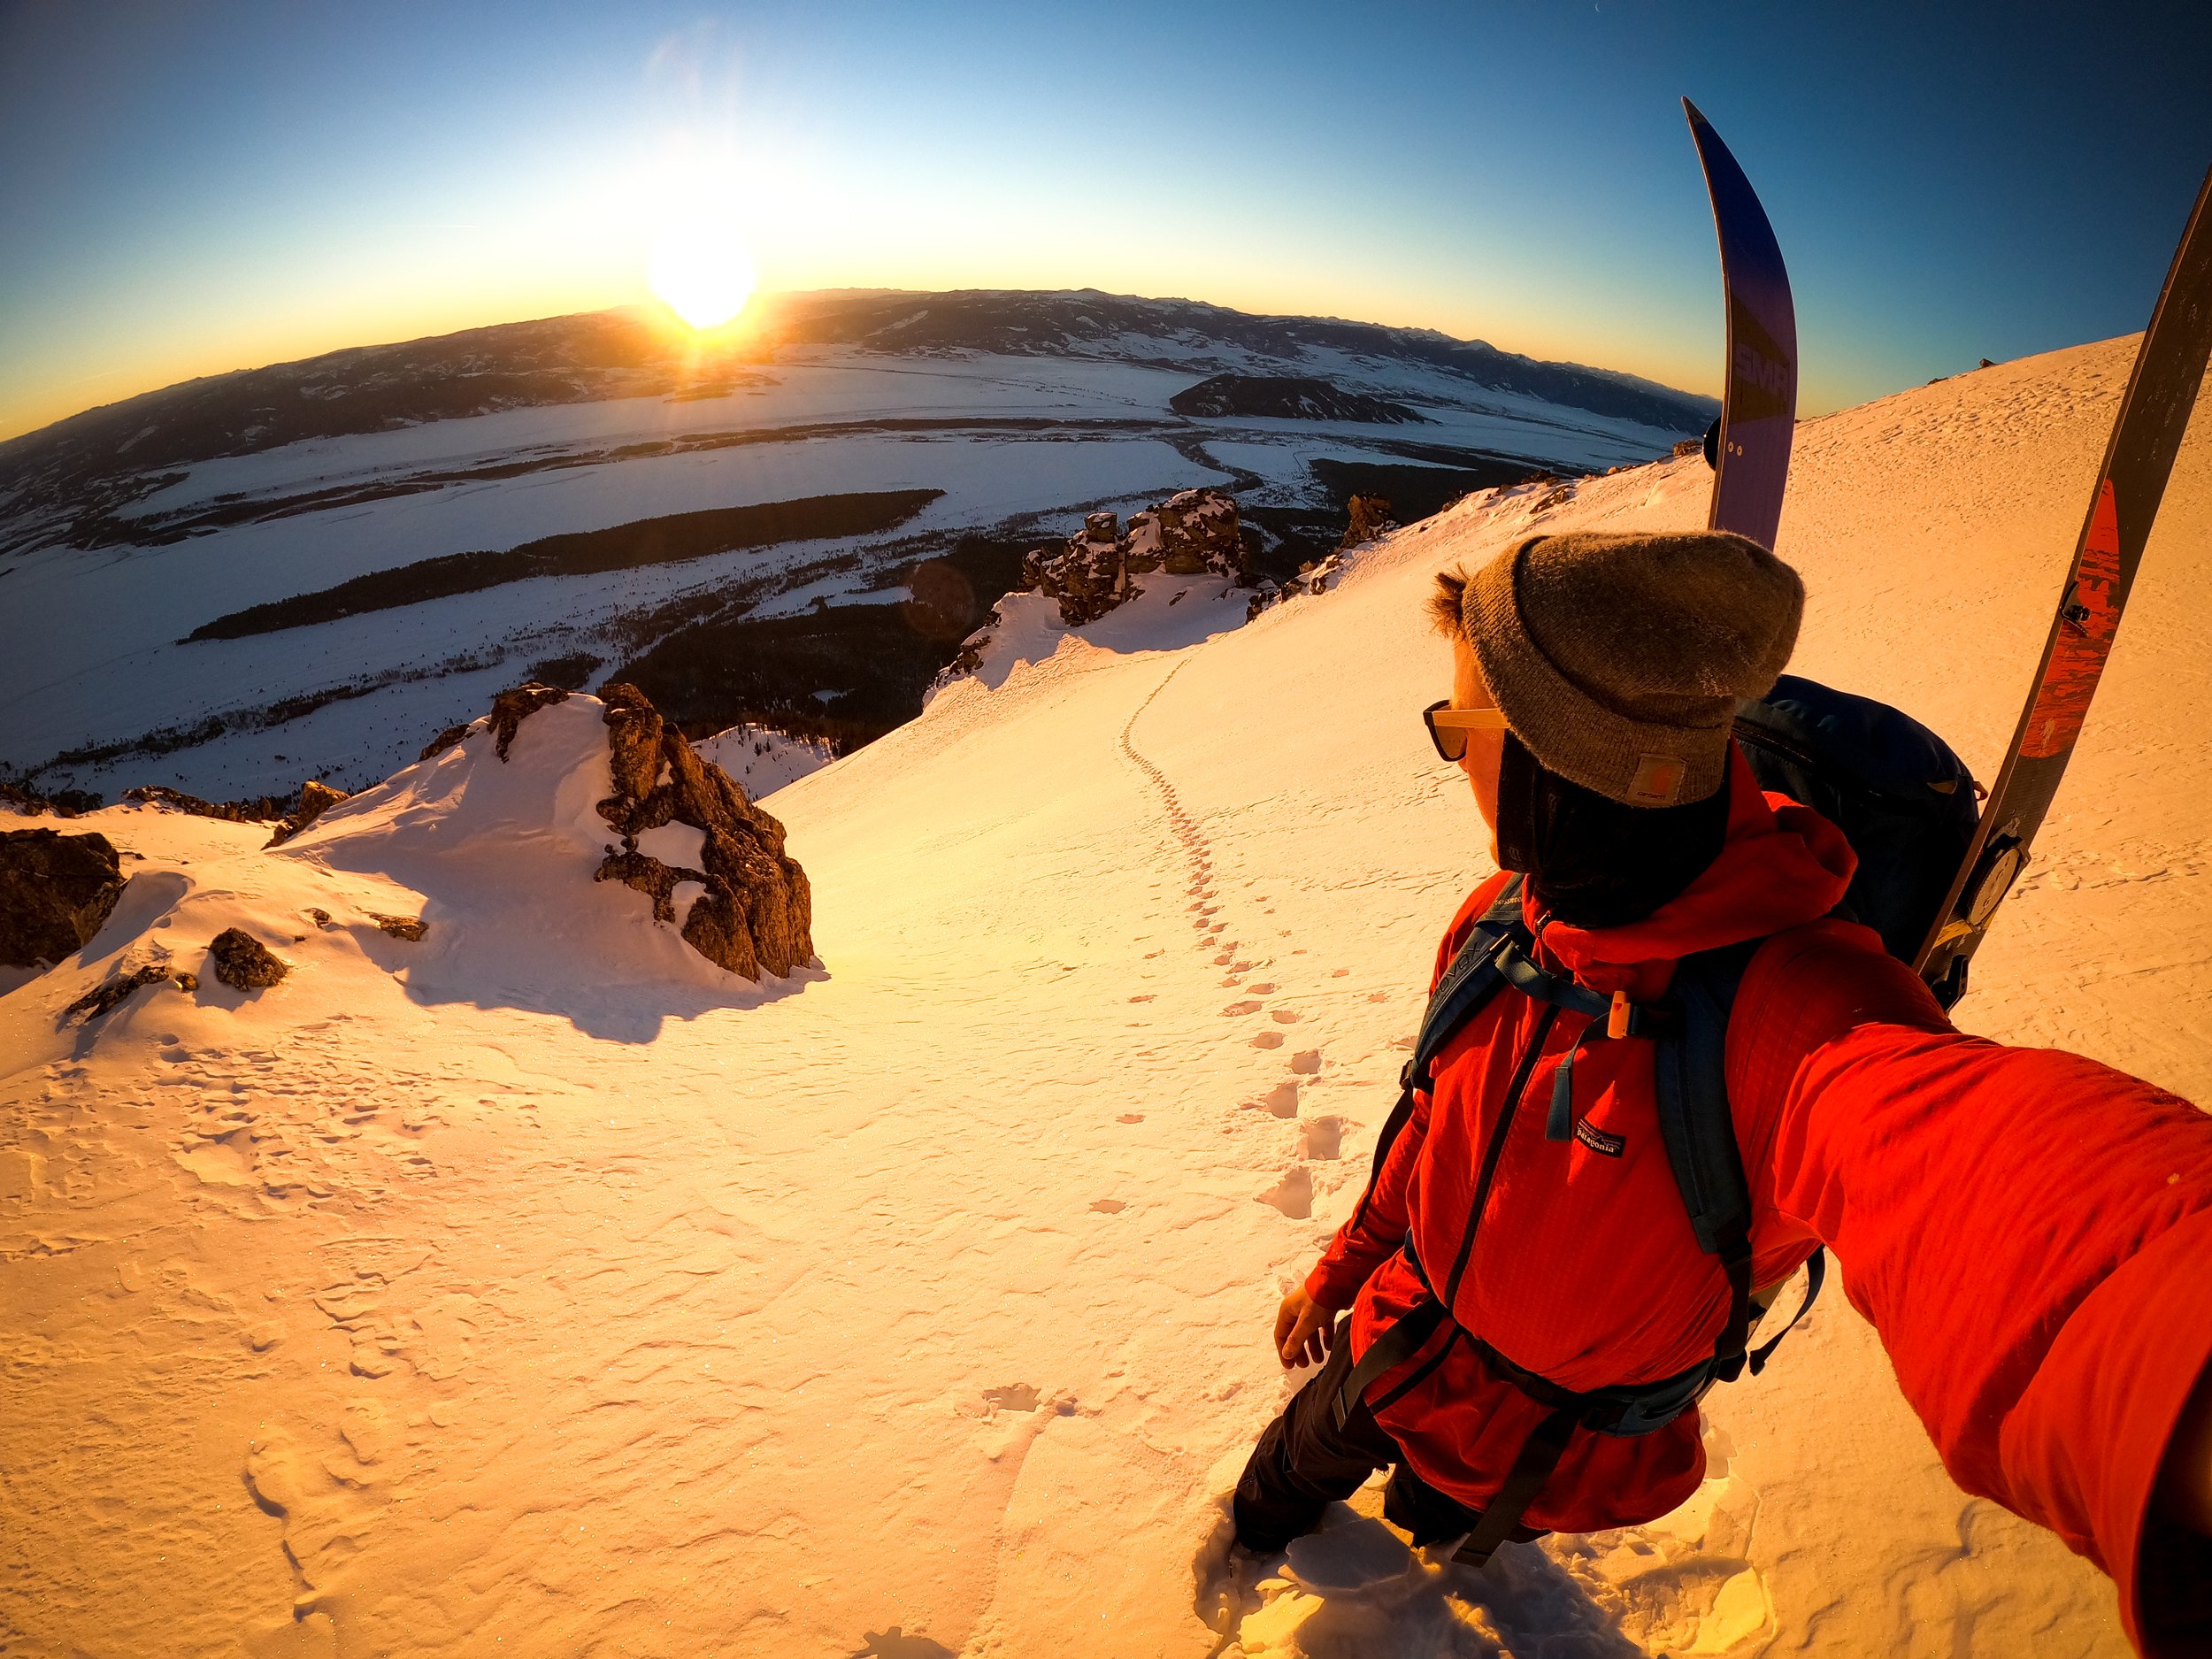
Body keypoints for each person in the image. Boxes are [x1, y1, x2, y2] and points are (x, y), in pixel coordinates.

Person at [1231, 528, 2212, 1656]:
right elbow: (1432, 1129)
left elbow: (1970, 1157)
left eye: (1464, 731)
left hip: (1564, 1440)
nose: (1455, 762)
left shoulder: (1789, 1004)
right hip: (1398, 1336)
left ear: (1558, 756)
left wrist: (2172, 1354)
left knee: (1439, 1525)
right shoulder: (1504, 921)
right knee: (1277, 1488)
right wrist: (1339, 1267)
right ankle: (1242, 1552)